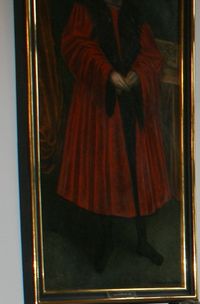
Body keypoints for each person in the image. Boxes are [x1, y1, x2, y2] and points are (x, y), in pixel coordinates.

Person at [56, 0, 171, 272]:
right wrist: (107, 74)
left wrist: (137, 74)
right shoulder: (85, 10)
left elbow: (152, 56)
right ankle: (105, 243)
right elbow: (75, 46)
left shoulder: (133, 15)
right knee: (103, 174)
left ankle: (142, 240)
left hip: (134, 108)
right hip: (100, 111)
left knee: (138, 174)